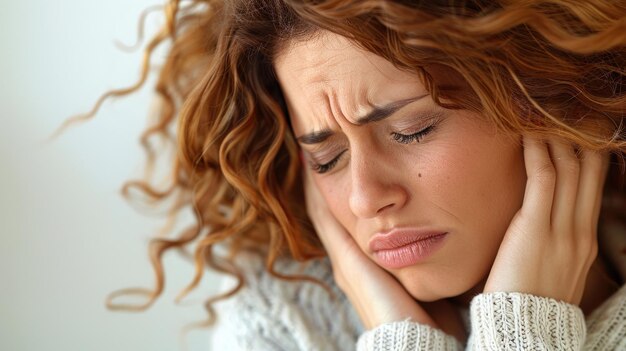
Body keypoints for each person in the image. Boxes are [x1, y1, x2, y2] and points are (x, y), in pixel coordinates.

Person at [70, 0, 626, 349]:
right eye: (327, 158)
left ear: (546, 104)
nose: (365, 198)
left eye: (411, 130)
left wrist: (523, 332)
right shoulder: (284, 315)